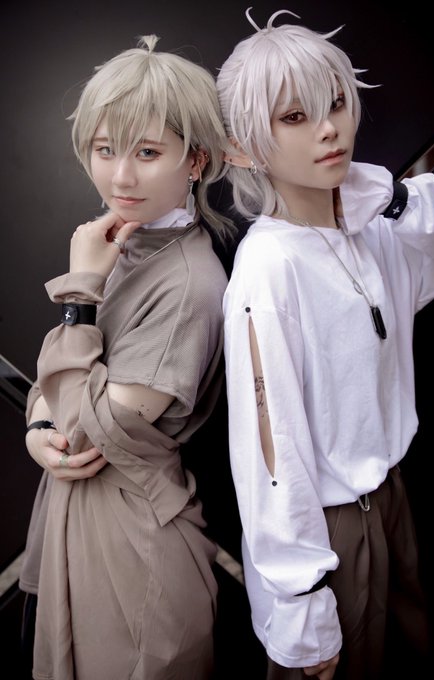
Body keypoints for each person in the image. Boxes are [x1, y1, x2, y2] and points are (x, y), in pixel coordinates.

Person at [215, 7, 434, 680]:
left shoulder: (374, 230)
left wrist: (396, 198)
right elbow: (270, 449)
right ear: (242, 148)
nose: (328, 129)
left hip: (395, 499)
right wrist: (299, 599)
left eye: (336, 103)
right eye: (294, 117)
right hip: (328, 531)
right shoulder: (268, 267)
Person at [20, 33, 236, 680]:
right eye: (104, 148)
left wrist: (79, 294)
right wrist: (37, 426)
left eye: (147, 152)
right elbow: (57, 388)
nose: (120, 176)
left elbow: (88, 427)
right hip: (75, 519)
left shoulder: (188, 284)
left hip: (134, 548)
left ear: (195, 160)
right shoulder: (120, 243)